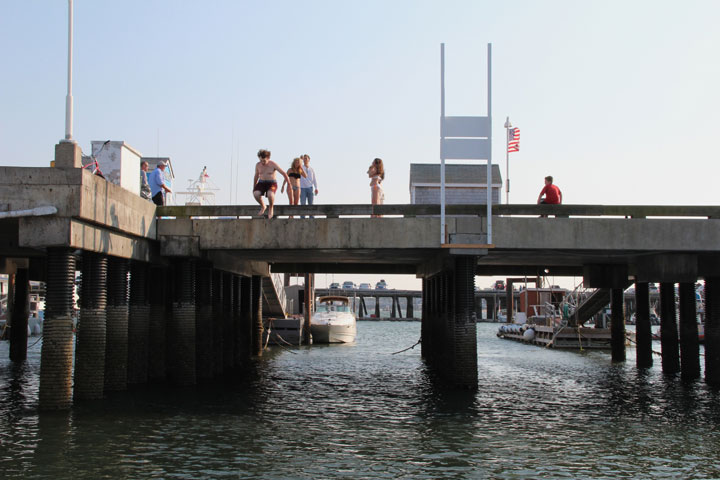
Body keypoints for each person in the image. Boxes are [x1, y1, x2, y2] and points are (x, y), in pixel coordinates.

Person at [253, 149, 290, 219]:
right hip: (261, 182)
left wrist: (289, 184)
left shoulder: (273, 164)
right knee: (256, 194)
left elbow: (284, 173)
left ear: (268, 158)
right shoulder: (258, 165)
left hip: (272, 183)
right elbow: (256, 176)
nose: (262, 162)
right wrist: (254, 186)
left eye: (264, 161)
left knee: (270, 194)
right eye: (261, 160)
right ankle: (263, 206)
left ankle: (271, 208)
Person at [299, 154, 319, 218]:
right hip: (302, 188)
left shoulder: (311, 169)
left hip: (310, 188)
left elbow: (314, 179)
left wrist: (316, 188)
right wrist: (300, 160)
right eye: (304, 158)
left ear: (309, 159)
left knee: (311, 204)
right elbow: (298, 167)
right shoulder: (301, 168)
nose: (305, 159)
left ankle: (311, 217)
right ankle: (302, 218)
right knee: (303, 204)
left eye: (306, 158)